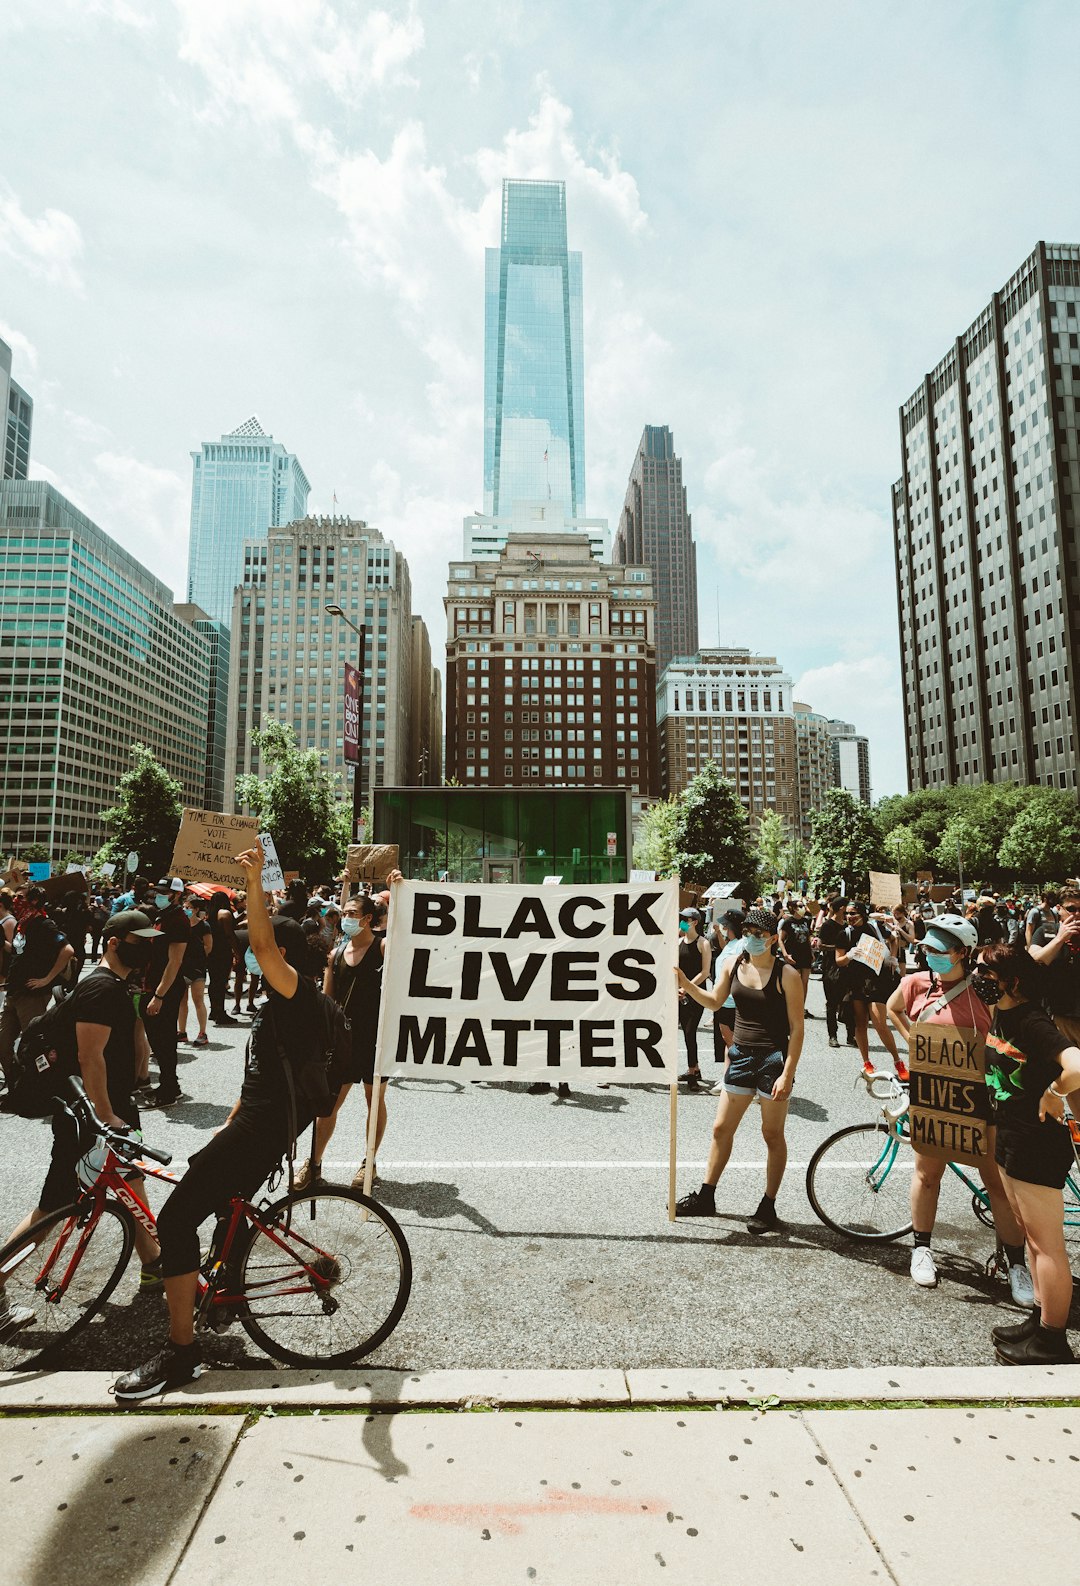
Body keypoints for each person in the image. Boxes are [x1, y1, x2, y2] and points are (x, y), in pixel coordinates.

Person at [113, 840, 322, 1401]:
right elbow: (259, 1078)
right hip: (253, 1127)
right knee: (227, 1210)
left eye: (269, 951)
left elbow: (258, 940)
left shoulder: (300, 995)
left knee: (177, 1223)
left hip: (263, 1133)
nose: (256, 956)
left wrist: (252, 882)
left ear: (285, 957)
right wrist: (226, 1121)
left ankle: (183, 1355)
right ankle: (226, 1283)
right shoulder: (287, 1003)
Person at [0, 909, 164, 1340]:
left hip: (109, 1107)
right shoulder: (99, 989)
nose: (146, 947)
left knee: (130, 1180)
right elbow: (90, 1057)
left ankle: (155, 1267)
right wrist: (106, 1114)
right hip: (89, 1113)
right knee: (54, 1205)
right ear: (113, 942)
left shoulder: (114, 985)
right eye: (138, 939)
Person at [886, 914, 1033, 1303]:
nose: (930, 955)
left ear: (962, 953)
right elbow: (892, 1008)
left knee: (996, 1183)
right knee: (927, 1174)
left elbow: (1007, 1032)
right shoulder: (915, 983)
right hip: (932, 1092)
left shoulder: (983, 990)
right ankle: (921, 1249)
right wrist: (915, 1039)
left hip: (979, 1096)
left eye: (939, 950)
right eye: (926, 948)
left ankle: (1017, 1265)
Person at [972, 944, 1080, 1365]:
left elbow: (1075, 1063)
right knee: (1031, 1237)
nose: (978, 976)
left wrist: (1054, 1094)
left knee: (1046, 1243)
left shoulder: (1032, 1019)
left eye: (986, 971)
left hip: (1038, 1142)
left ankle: (1053, 1340)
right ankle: (1039, 1318)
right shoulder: (1003, 1011)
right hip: (1013, 1135)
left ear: (1012, 981)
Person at [674, 907, 804, 1232]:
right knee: (720, 1129)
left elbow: (798, 1028)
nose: (750, 938)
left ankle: (768, 1206)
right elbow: (716, 1002)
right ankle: (706, 1195)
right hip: (741, 1055)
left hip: (773, 1058)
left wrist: (788, 1073)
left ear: (773, 938)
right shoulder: (733, 964)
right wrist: (686, 984)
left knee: (772, 1134)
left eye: (758, 934)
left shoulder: (785, 974)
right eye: (747, 932)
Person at [294, 890, 391, 1192]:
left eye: (352, 913)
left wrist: (398, 891)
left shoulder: (384, 947)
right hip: (342, 1042)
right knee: (327, 1106)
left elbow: (408, 939)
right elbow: (327, 998)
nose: (347, 917)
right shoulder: (336, 954)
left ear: (368, 919)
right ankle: (314, 1163)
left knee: (373, 1102)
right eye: (345, 912)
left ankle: (369, 1162)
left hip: (375, 1040)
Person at [0, 889, 74, 1089]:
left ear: (33, 901)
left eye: (20, 897)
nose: (15, 900)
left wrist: (46, 979)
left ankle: (38, 1088)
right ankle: (16, 1085)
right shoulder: (22, 924)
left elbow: (67, 950)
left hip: (32, 996)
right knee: (3, 1044)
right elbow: (17, 953)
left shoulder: (45, 924)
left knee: (33, 1045)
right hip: (14, 994)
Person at [835, 900, 904, 1077]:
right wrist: (849, 956)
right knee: (860, 1023)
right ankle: (867, 1063)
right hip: (855, 982)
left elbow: (894, 939)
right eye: (847, 914)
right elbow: (839, 960)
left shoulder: (874, 928)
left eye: (853, 914)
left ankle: (898, 1062)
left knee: (880, 1023)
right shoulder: (845, 934)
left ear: (862, 914)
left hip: (876, 981)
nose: (849, 917)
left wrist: (892, 958)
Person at [139, 877, 190, 1109]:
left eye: (164, 892)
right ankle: (171, 1085)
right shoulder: (162, 916)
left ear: (177, 895)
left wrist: (159, 995)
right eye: (158, 891)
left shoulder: (178, 920)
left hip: (164, 989)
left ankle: (169, 1089)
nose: (159, 896)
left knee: (164, 1041)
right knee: (158, 1040)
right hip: (151, 985)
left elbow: (175, 961)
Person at [1027, 885, 1080, 1047]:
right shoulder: (1046, 932)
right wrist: (1059, 939)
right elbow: (1034, 960)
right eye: (1071, 909)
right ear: (1059, 909)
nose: (1077, 914)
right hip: (1059, 1015)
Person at [708, 911, 745, 1087]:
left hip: (732, 999)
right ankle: (727, 1076)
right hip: (723, 998)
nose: (723, 926)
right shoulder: (732, 943)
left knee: (731, 1039)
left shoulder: (741, 944)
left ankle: (739, 1076)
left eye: (726, 924)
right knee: (727, 1038)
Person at [676, 907, 712, 1089]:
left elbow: (705, 972)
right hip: (679, 993)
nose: (682, 921)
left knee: (690, 1032)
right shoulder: (678, 941)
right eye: (681, 917)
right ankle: (695, 1068)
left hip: (696, 994)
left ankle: (692, 1072)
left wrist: (687, 988)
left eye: (685, 918)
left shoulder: (702, 943)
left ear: (695, 922)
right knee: (683, 1033)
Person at [815, 896, 856, 1049]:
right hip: (831, 968)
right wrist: (839, 949)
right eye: (847, 908)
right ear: (841, 909)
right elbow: (820, 946)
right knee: (832, 1003)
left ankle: (851, 1035)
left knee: (849, 1001)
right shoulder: (827, 925)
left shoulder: (847, 926)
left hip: (847, 967)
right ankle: (832, 1035)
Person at [177, 899, 212, 1049]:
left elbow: (208, 946)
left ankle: (202, 1033)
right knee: (181, 1001)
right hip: (181, 966)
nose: (186, 909)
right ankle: (182, 1031)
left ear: (196, 909)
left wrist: (197, 957)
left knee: (198, 1000)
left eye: (189, 907)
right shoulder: (181, 924)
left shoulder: (204, 925)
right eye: (184, 907)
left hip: (197, 967)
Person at [206, 890, 239, 1026]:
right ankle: (220, 1013)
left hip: (212, 951)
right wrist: (237, 952)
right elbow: (229, 935)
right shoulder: (224, 913)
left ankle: (214, 1010)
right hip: (223, 951)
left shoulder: (211, 915)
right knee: (221, 982)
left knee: (214, 981)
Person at [777, 901, 813, 1013]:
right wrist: (785, 954)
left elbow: (808, 938)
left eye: (803, 906)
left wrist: (811, 953)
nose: (803, 908)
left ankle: (801, 1007)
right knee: (796, 982)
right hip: (794, 954)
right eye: (800, 906)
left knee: (805, 982)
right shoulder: (788, 922)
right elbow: (780, 939)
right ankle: (793, 1006)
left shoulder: (806, 921)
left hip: (806, 954)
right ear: (794, 908)